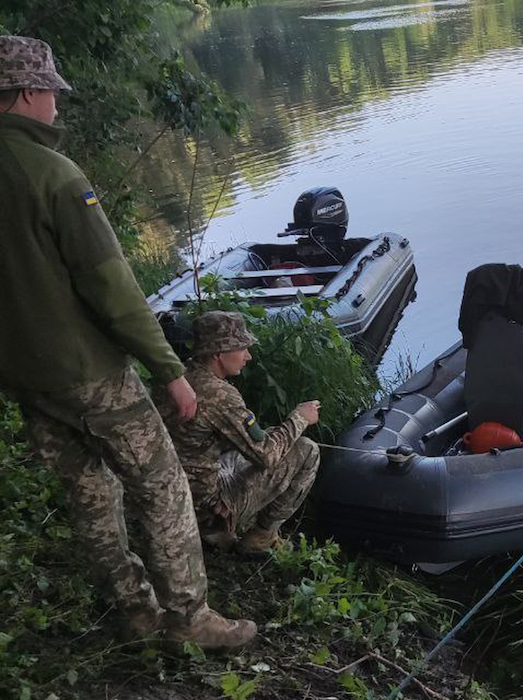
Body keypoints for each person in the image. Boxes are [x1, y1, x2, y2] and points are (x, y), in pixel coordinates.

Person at [0, 35, 255, 648]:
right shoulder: (56, 177)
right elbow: (112, 288)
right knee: (160, 485)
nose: (57, 107)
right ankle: (189, 619)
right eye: (53, 94)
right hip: (88, 370)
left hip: (28, 377)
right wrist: (170, 369)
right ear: (30, 93)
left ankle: (135, 611)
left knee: (87, 492)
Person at [157, 311, 322, 555]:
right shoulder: (220, 395)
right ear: (218, 354)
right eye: (242, 348)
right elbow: (267, 456)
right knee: (307, 449)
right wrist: (300, 418)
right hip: (204, 507)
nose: (248, 356)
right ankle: (260, 537)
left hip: (169, 490)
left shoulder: (178, 377)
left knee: (269, 435)